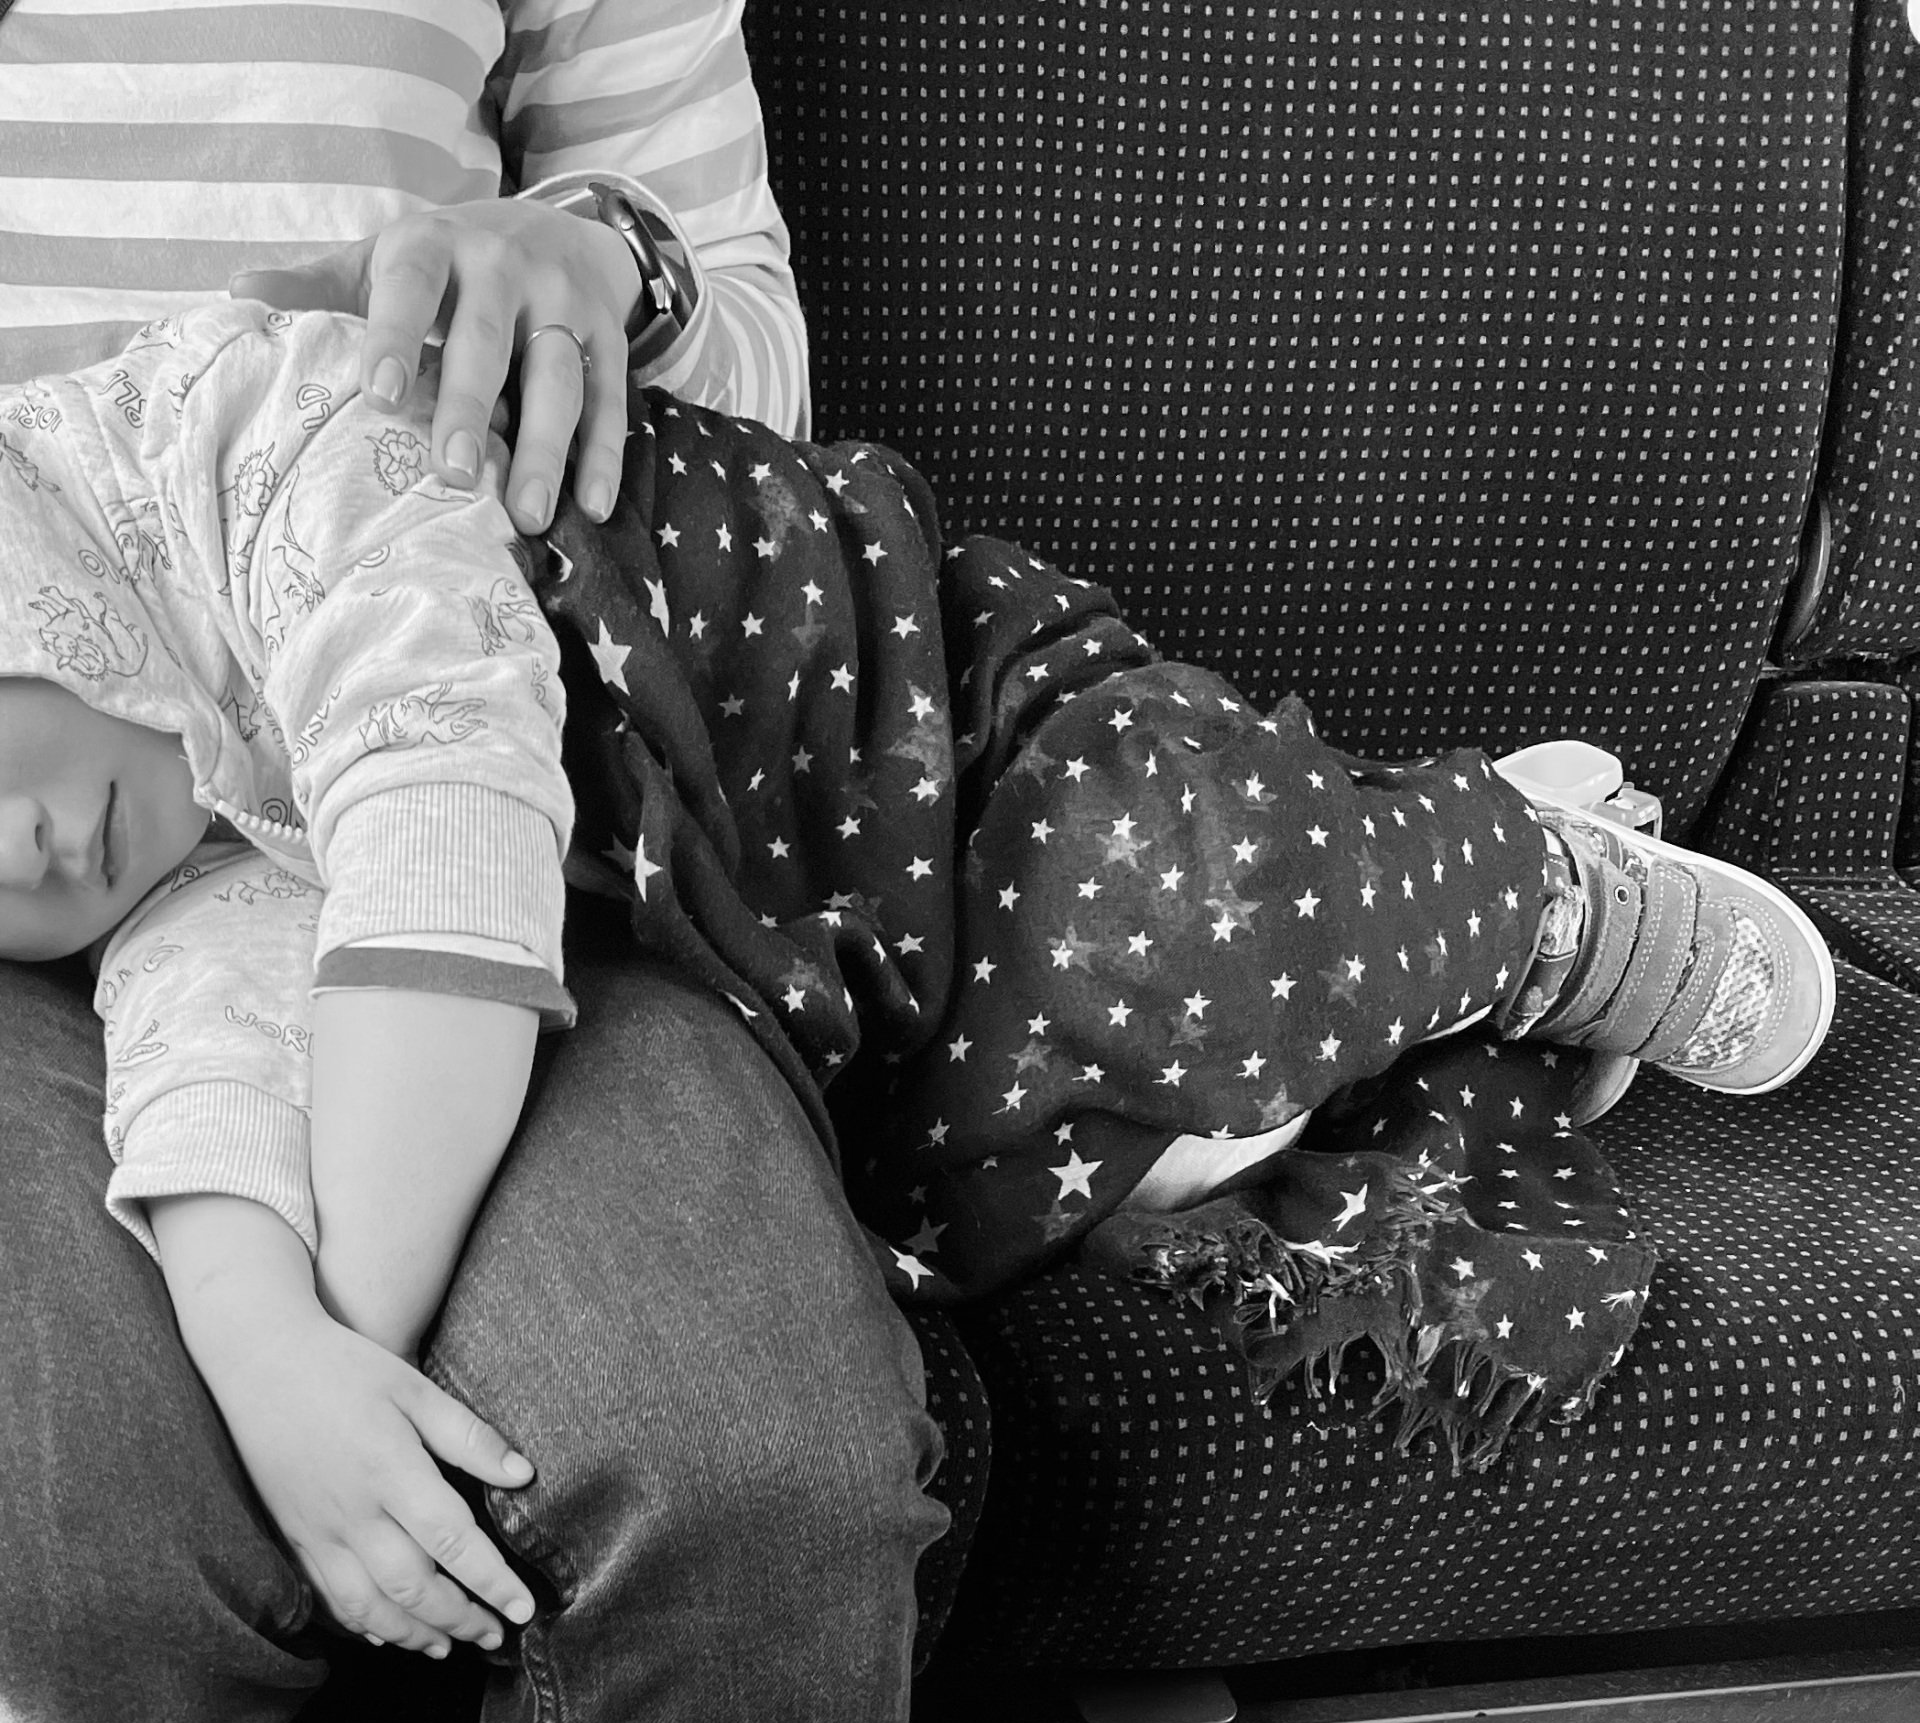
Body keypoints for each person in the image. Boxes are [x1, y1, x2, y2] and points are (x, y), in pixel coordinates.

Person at [0, 300, 1835, 1689]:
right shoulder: (160, 867)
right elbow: (211, 1060)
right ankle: (1422, 959)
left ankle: (1531, 896)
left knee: (1183, 913)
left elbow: (435, 803)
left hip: (895, 724)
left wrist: (356, 1347)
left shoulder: (244, 425)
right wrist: (259, 1346)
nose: (12, 843)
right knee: (1062, 1168)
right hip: (785, 941)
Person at [0, 6, 949, 1719]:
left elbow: (751, 369)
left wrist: (608, 271)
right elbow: (210, 998)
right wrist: (263, 1332)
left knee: (747, 1485)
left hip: (504, 770)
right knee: (74, 1549)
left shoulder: (301, 477)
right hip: (139, 903)